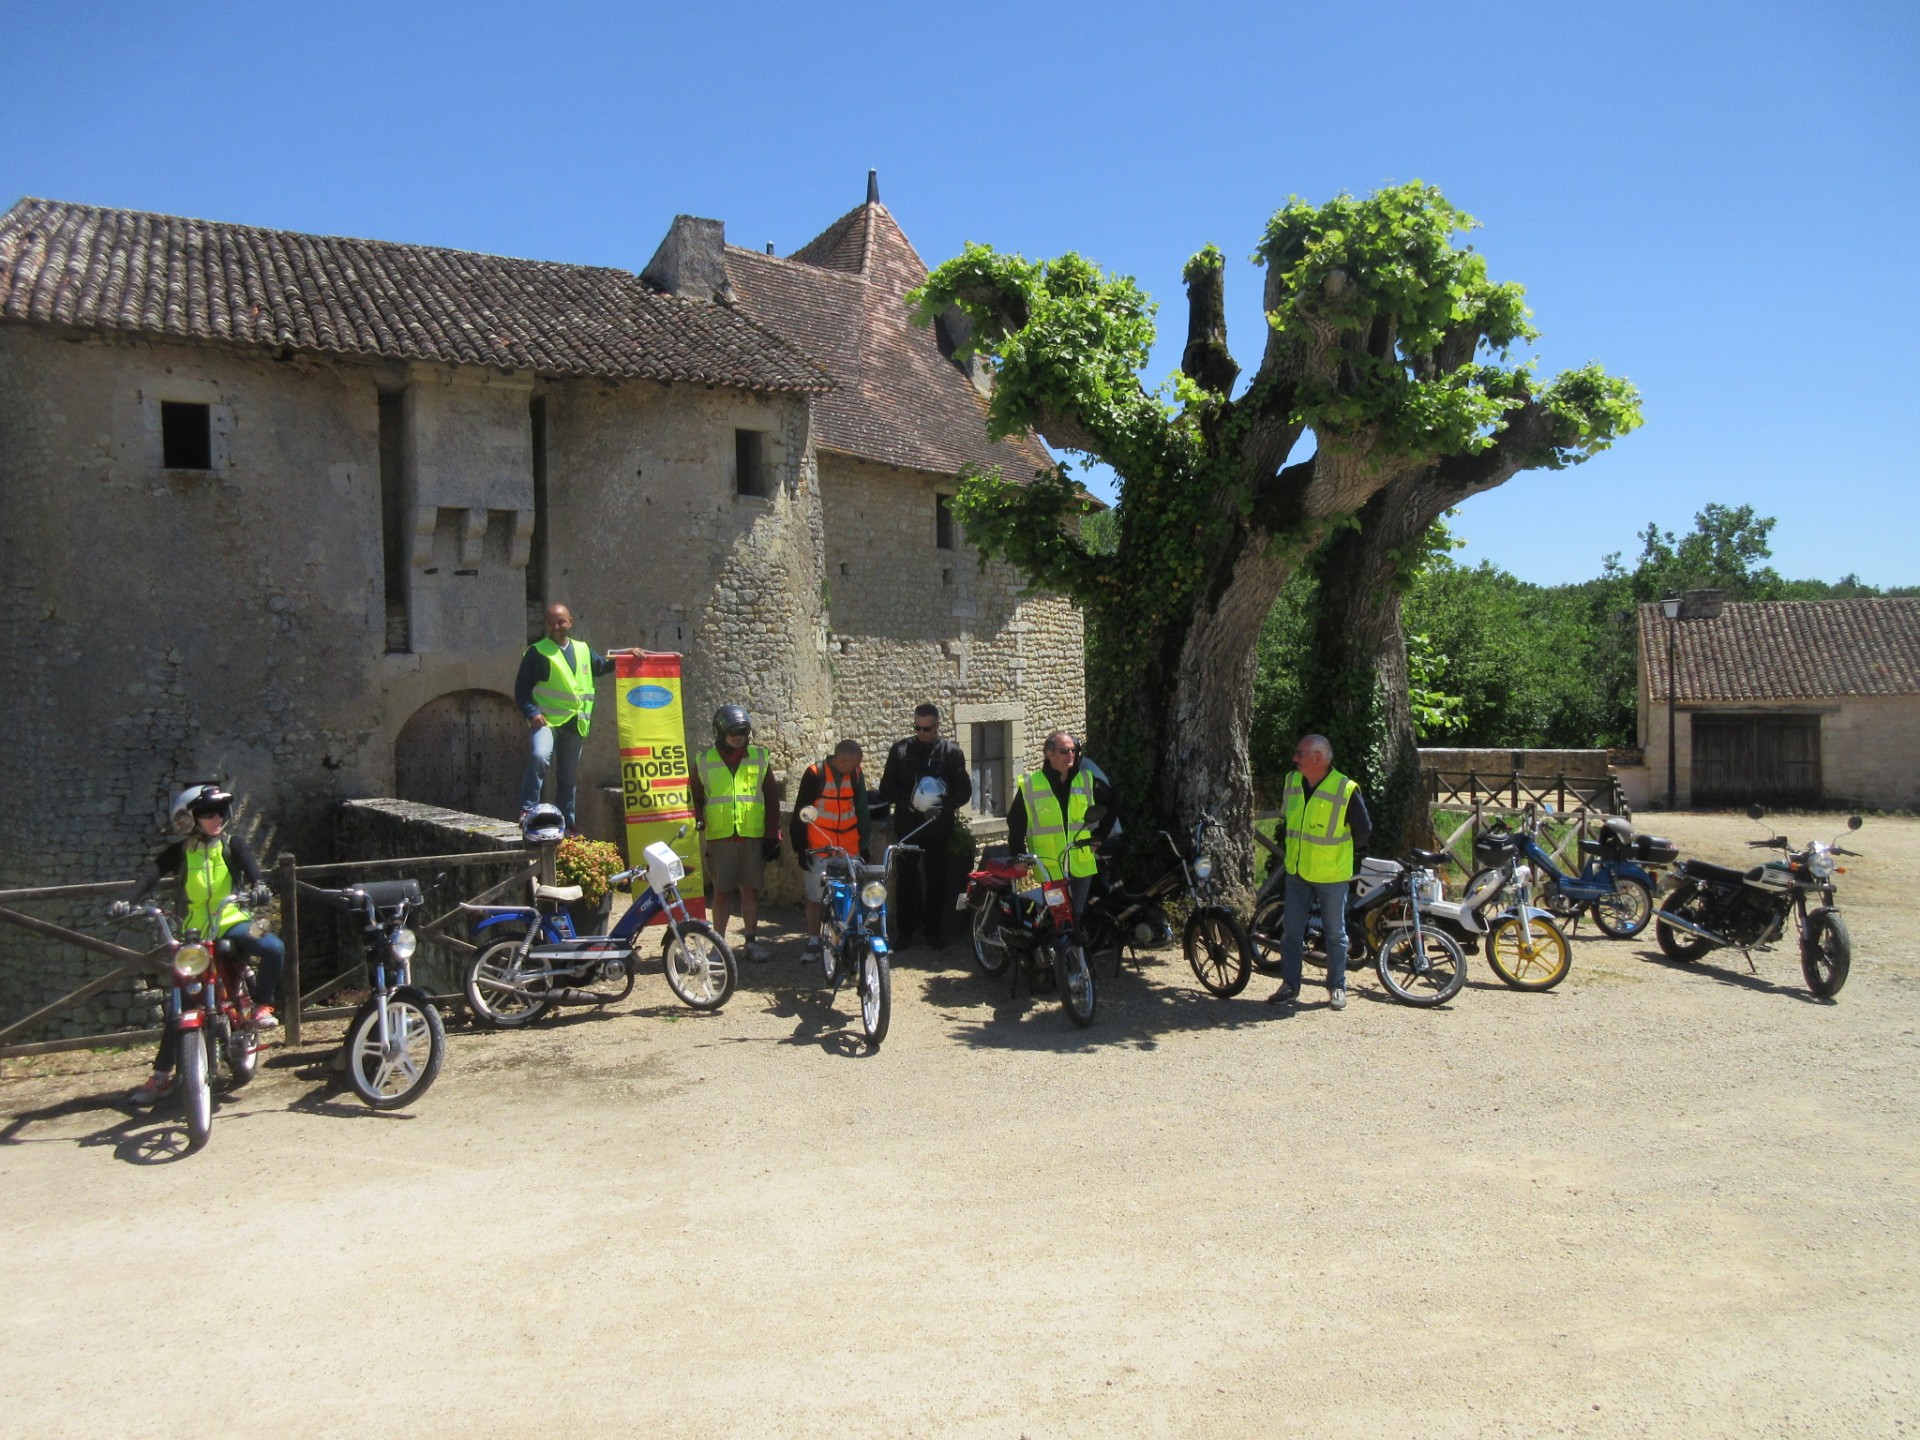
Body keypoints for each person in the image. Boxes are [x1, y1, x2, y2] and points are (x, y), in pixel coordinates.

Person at [115, 783, 286, 1106]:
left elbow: (252, 866)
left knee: (274, 947)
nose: (216, 818)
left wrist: (259, 884)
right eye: (207, 813)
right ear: (191, 818)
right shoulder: (180, 852)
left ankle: (262, 1004)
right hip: (194, 932)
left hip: (232, 921)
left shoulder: (232, 845)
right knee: (180, 1001)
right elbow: (150, 874)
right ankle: (162, 1076)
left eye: (220, 812)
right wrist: (125, 900)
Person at [1268, 733, 1372, 1012]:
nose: (1294, 758)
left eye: (1299, 753)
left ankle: (1337, 985)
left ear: (1318, 758)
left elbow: (1363, 832)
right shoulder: (1292, 781)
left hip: (1331, 874)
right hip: (1298, 870)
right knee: (1291, 931)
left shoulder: (1345, 788)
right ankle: (1290, 985)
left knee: (1335, 933)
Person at [515, 603, 638, 833]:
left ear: (570, 621)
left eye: (561, 621)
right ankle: (527, 809)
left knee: (568, 777)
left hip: (575, 721)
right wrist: (532, 713)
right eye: (551, 622)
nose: (556, 626)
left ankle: (567, 823)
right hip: (547, 720)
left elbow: (601, 666)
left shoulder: (582, 649)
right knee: (539, 756)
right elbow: (521, 690)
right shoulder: (537, 652)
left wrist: (627, 655)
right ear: (545, 625)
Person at [690, 705, 781, 962]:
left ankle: (751, 943)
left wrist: (773, 834)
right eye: (733, 732)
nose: (738, 736)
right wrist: (698, 819)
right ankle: (718, 946)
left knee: (750, 890)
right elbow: (695, 796)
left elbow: (773, 799)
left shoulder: (760, 757)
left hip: (751, 836)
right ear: (720, 732)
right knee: (721, 893)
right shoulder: (704, 760)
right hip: (720, 837)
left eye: (742, 731)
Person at [877, 703, 971, 950]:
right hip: (908, 826)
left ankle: (933, 930)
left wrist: (944, 806)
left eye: (926, 729)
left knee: (937, 878)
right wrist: (908, 804)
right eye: (917, 728)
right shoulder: (900, 751)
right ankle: (905, 931)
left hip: (938, 827)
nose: (921, 733)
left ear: (937, 726)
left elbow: (964, 790)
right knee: (906, 879)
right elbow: (886, 787)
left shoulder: (950, 753)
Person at [1006, 730, 1117, 917]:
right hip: (1050, 866)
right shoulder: (1031, 784)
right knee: (1055, 918)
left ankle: (1076, 946)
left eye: (1074, 750)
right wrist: (1019, 855)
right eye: (1065, 751)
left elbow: (1112, 802)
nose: (1071, 755)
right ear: (1049, 754)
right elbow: (1015, 823)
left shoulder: (1086, 780)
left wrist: (1100, 836)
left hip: (1081, 864)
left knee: (1077, 917)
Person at [788, 739, 872, 964]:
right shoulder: (815, 773)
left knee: (852, 894)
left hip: (849, 846)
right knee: (815, 896)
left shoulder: (855, 774)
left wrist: (865, 845)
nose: (857, 768)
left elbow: (862, 808)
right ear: (841, 760)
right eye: (853, 764)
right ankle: (814, 941)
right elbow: (801, 811)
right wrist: (800, 849)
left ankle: (850, 940)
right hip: (819, 846)